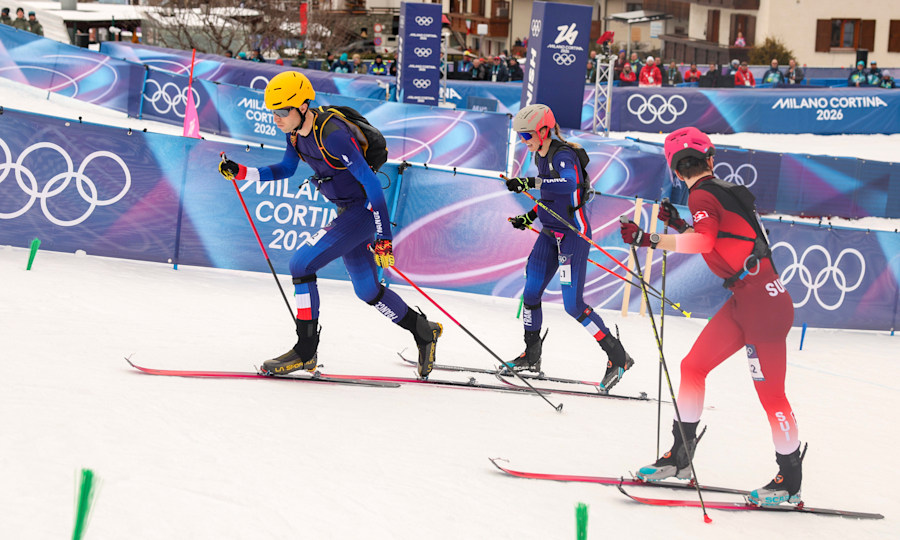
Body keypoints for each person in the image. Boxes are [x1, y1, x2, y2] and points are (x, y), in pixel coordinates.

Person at [620, 126, 802, 507]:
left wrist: (649, 239)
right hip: (748, 301)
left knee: (771, 396)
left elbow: (705, 242)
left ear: (675, 171)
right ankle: (681, 459)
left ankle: (789, 480)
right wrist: (679, 226)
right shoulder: (719, 191)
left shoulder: (702, 193)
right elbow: (723, 243)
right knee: (693, 366)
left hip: (762, 308)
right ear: (710, 160)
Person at [217, 72, 442, 378]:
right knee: (368, 291)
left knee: (300, 263)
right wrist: (243, 172)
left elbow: (372, 186)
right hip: (347, 211)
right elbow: (285, 168)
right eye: (274, 112)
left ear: (303, 106)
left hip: (362, 213)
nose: (277, 119)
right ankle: (423, 330)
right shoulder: (294, 133)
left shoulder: (332, 134)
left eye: (282, 112)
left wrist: (384, 238)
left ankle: (305, 351)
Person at [505, 104, 635, 390]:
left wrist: (529, 180)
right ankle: (532, 354)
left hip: (572, 236)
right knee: (530, 293)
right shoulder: (540, 155)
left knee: (572, 305)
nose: (523, 142)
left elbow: (568, 184)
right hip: (550, 234)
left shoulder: (563, 155)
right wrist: (527, 217)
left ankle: (618, 356)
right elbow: (550, 198)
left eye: (526, 136)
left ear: (542, 131)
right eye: (521, 137)